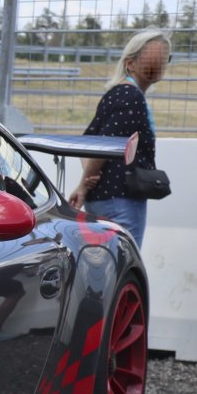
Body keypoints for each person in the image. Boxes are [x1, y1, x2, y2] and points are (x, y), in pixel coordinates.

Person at [66, 28, 171, 248]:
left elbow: (88, 142)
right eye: (155, 57)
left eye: (165, 58)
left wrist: (88, 178)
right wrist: (84, 185)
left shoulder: (117, 93)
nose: (161, 63)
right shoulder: (130, 96)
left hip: (107, 198)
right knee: (123, 265)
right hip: (120, 198)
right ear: (130, 63)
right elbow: (105, 145)